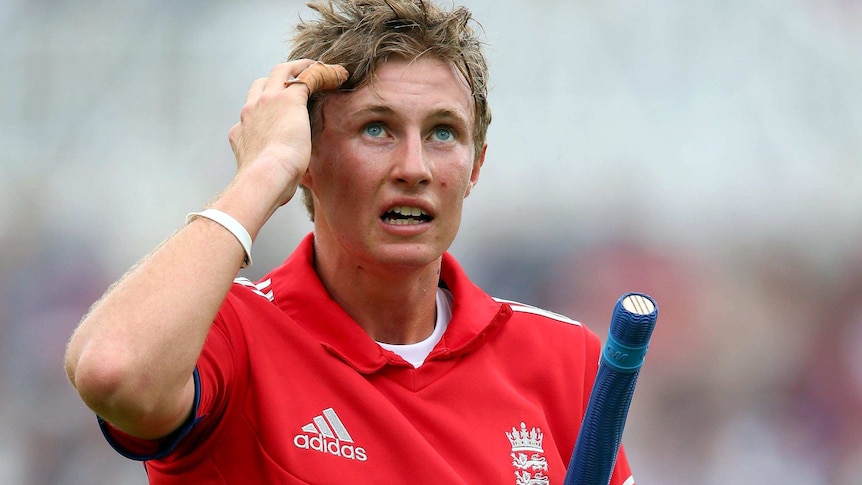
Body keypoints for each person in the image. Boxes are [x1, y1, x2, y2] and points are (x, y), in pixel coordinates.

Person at [64, 1, 637, 483]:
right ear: (309, 159)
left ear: (474, 166)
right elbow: (114, 372)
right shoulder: (228, 332)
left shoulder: (568, 360)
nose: (414, 167)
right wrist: (261, 173)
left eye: (442, 132)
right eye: (376, 128)